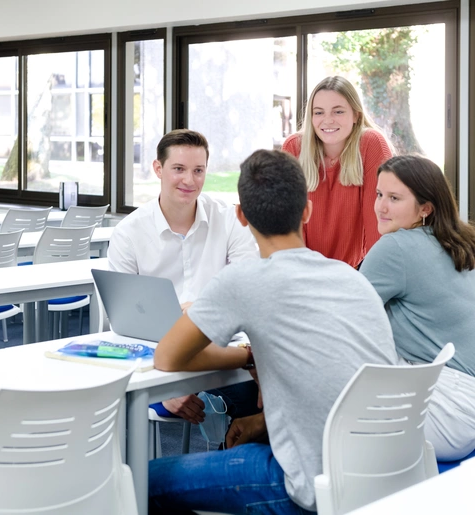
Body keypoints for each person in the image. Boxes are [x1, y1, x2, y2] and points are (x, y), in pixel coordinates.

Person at [149, 149, 399, 514]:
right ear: (307, 211)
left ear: (241, 216)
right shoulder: (352, 278)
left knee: (145, 480)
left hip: (310, 489)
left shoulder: (245, 280)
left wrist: (245, 355)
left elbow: (168, 356)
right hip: (385, 477)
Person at [108, 128, 259, 424]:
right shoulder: (128, 233)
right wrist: (161, 384)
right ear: (158, 169)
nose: (189, 181)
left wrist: (204, 310)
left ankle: (227, 439)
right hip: (157, 356)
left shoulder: (228, 219)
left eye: (198, 170)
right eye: (179, 169)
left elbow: (250, 289)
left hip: (223, 347)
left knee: (263, 392)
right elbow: (123, 325)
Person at [360, 154, 475, 461]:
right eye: (379, 194)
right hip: (464, 410)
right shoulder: (461, 241)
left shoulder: (396, 247)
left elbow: (345, 318)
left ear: (425, 208)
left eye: (394, 198)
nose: (381, 207)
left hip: (445, 411)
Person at [282, 75, 393, 268]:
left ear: (356, 115)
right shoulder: (294, 148)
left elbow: (378, 220)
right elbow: (289, 223)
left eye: (338, 111)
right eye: (319, 112)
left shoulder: (371, 144)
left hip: (358, 268)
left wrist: (374, 277)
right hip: (302, 268)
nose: (328, 121)